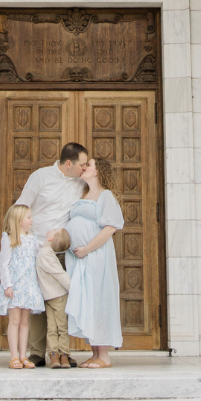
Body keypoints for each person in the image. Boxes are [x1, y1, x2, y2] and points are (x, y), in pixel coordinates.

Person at [16, 141, 89, 366]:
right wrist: (16, 243)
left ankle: (61, 351)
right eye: (82, 165)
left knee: (60, 303)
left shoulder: (81, 182)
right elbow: (21, 207)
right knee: (37, 302)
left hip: (61, 250)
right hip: (35, 249)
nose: (84, 169)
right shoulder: (40, 177)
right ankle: (37, 352)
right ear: (69, 163)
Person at [64, 155, 125, 368]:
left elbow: (110, 227)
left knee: (99, 299)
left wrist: (87, 249)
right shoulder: (84, 194)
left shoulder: (105, 195)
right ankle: (94, 353)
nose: (84, 167)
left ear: (98, 171)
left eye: (88, 165)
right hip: (79, 259)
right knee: (88, 301)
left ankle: (104, 356)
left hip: (96, 256)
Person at [0, 205, 43, 369]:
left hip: (28, 285)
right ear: (19, 221)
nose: (31, 220)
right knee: (14, 320)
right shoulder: (9, 237)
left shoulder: (32, 238)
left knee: (25, 321)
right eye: (28, 217)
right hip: (15, 285)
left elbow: (37, 255)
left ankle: (23, 355)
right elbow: (3, 263)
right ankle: (13, 356)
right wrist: (7, 285)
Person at [36, 228, 73, 368]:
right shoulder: (46, 253)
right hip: (50, 296)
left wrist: (73, 290)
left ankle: (63, 355)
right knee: (53, 327)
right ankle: (54, 355)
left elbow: (59, 274)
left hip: (58, 296)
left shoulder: (45, 254)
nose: (52, 228)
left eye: (55, 230)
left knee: (60, 327)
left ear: (51, 238)